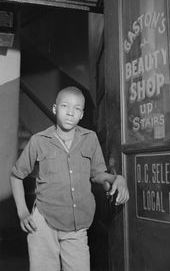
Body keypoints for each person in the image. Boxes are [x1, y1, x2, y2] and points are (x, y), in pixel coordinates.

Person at [10, 86, 129, 271]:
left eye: (77, 108)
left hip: (77, 224)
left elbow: (97, 173)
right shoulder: (38, 141)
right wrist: (23, 212)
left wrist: (117, 178)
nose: (70, 112)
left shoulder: (90, 138)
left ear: (82, 114)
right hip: (43, 222)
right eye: (65, 106)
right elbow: (16, 176)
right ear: (55, 108)